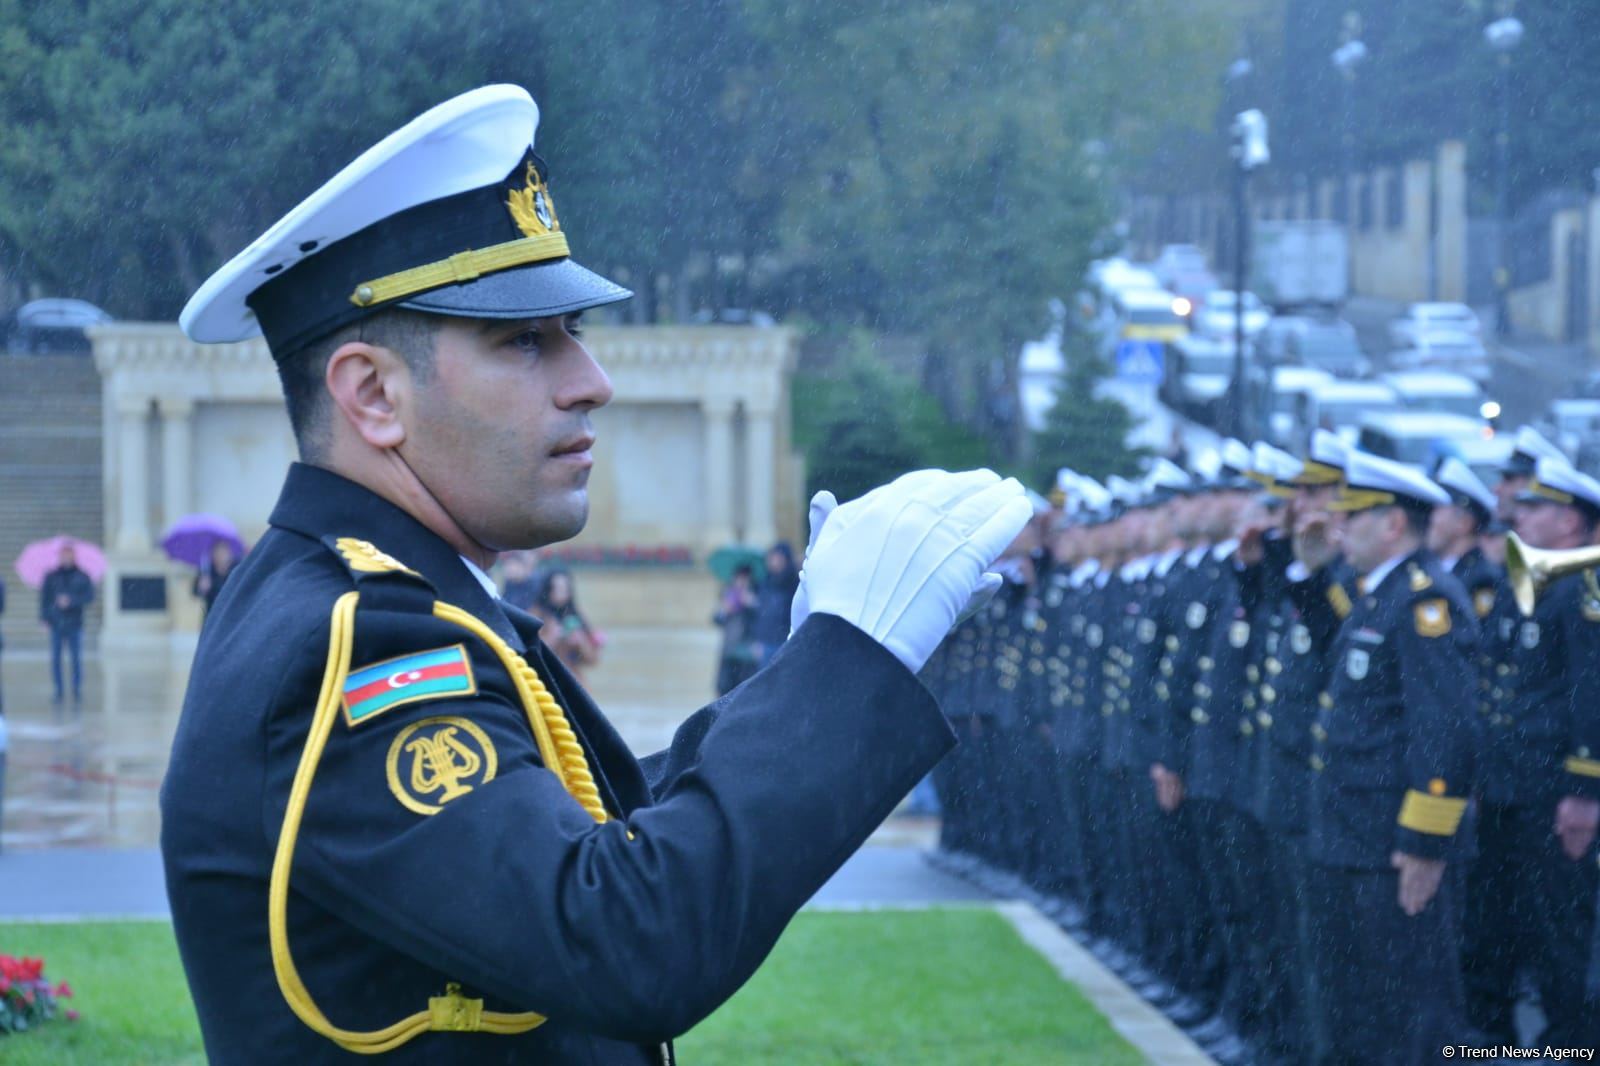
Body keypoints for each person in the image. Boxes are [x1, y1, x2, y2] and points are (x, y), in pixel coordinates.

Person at [158, 84, 1030, 1063]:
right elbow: (623, 936)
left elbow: (590, 832)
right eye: (525, 340)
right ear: (373, 396)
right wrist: (847, 662)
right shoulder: (360, 642)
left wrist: (805, 674)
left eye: (575, 331)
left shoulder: (378, 600)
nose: (592, 381)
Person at [1306, 450, 1478, 1066]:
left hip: (1392, 843)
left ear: (1394, 524)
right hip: (1354, 834)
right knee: (1357, 1005)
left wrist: (1425, 843)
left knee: (1413, 1013)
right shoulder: (1380, 594)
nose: (1339, 527)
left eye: (1352, 516)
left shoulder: (1425, 601)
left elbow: (1446, 729)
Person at [39, 543, 93, 705]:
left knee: (76, 658)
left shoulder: (82, 576)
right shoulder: (51, 576)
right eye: (63, 555)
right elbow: (44, 599)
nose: (66, 558)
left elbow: (89, 596)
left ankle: (76, 688)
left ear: (74, 556)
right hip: (56, 622)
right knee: (56, 658)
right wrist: (44, 618)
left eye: (68, 555)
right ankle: (59, 689)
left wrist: (71, 601)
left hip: (75, 622)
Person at [530, 568, 600, 682]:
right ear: (548, 589)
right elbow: (531, 654)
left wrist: (580, 643)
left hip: (571, 678)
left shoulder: (575, 616)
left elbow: (592, 660)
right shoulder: (536, 614)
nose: (562, 592)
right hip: (543, 679)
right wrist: (552, 637)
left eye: (565, 588)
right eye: (557, 588)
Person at [712, 564, 759, 695]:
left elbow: (762, 620)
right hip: (729, 649)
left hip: (748, 651)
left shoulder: (755, 595)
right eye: (739, 578)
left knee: (744, 690)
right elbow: (716, 619)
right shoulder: (728, 595)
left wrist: (752, 605)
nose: (741, 582)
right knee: (724, 688)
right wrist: (724, 610)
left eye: (745, 578)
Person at [749, 541, 798, 665]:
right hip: (765, 644)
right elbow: (760, 615)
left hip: (785, 643)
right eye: (772, 558)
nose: (773, 562)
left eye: (778, 558)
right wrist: (757, 640)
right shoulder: (765, 582)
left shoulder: (794, 584)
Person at [193, 539, 239, 618]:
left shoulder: (236, 569)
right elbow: (195, 592)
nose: (220, 556)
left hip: (231, 614)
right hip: (211, 614)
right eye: (217, 552)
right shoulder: (206, 570)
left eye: (223, 552)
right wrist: (201, 588)